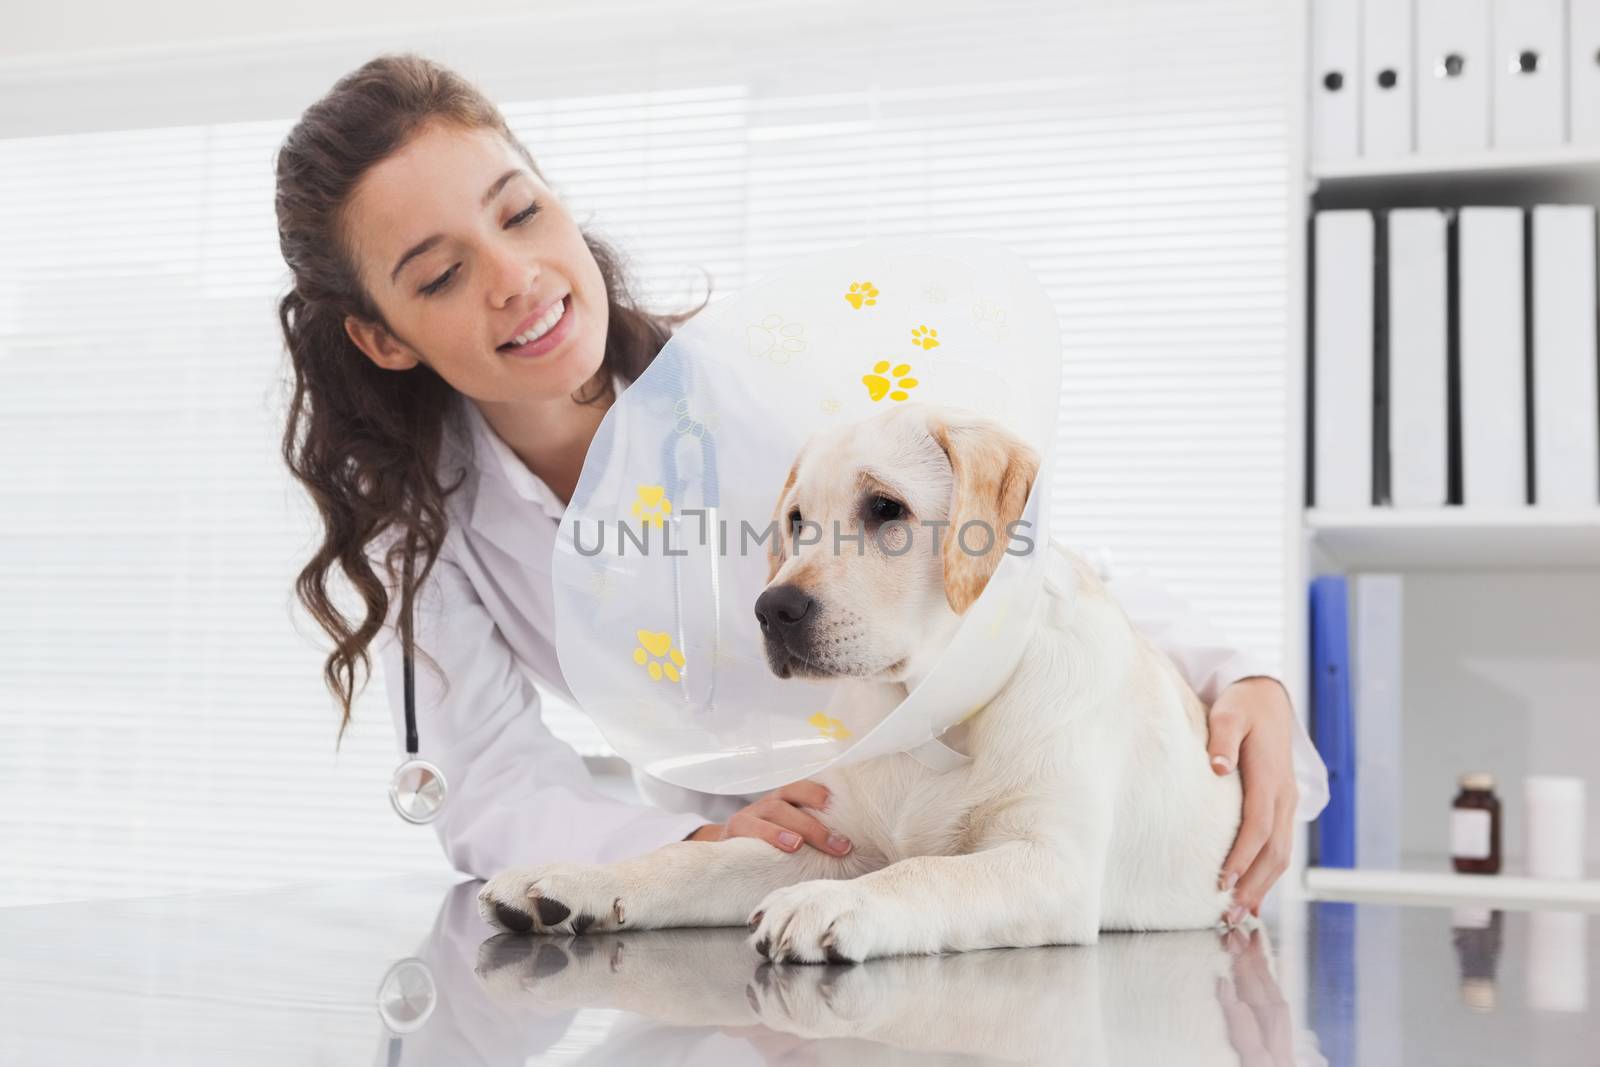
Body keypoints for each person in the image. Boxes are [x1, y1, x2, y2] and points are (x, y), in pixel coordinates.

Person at [274, 53, 1327, 924]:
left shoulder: (759, 390)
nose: (515, 276)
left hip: (940, 849)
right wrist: (689, 838)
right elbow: (492, 778)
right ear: (380, 335)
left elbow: (1011, 552)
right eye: (439, 274)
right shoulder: (423, 522)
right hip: (748, 880)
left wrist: (1240, 678)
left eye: (520, 212)